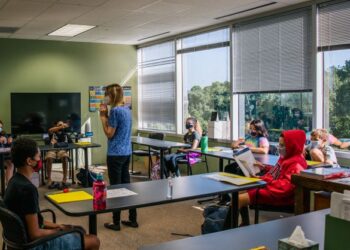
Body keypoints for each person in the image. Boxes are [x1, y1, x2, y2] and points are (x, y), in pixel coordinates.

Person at [4, 137, 100, 250]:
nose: (40, 160)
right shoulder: (28, 190)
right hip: (33, 246)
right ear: (29, 161)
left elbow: (34, 221)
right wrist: (58, 231)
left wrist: (59, 226)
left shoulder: (13, 182)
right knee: (93, 240)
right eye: (38, 157)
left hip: (17, 243)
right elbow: (35, 233)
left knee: (78, 230)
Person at [238, 130, 307, 225]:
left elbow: (285, 187)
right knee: (238, 192)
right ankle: (244, 223)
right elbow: (279, 171)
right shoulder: (286, 157)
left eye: (283, 145)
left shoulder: (296, 163)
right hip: (271, 188)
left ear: (293, 145)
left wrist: (263, 180)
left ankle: (227, 227)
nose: (280, 148)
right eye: (279, 144)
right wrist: (265, 167)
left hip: (279, 195)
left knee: (239, 199)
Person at [99, 83, 138, 231]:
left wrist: (102, 117)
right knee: (127, 186)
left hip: (115, 154)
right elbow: (117, 126)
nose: (105, 98)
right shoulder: (126, 109)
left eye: (107, 95)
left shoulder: (115, 111)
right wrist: (106, 115)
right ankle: (133, 219)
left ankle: (116, 223)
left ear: (112, 95)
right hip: (126, 153)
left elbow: (109, 133)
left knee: (115, 188)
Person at [45, 120, 71, 189]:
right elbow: (50, 130)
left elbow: (71, 144)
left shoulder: (65, 133)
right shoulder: (53, 132)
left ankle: (64, 179)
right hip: (52, 150)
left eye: (62, 125)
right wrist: (62, 126)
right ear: (56, 126)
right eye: (59, 125)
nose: (61, 127)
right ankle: (49, 179)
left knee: (65, 156)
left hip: (61, 150)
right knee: (49, 157)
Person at [0, 120, 14, 184]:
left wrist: (9, 142)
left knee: (10, 164)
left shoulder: (3, 133)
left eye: (1, 127)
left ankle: (8, 184)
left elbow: (7, 146)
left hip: (3, 155)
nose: (0, 129)